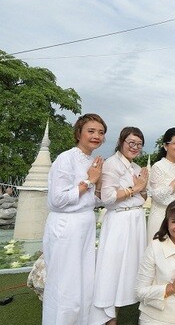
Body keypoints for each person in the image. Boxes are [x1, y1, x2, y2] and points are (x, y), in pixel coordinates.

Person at [42, 113, 106, 325]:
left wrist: (100, 187)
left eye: (101, 132)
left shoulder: (93, 161)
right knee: (65, 285)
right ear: (79, 133)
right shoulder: (66, 158)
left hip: (85, 225)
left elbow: (91, 200)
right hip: (66, 226)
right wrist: (89, 181)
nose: (96, 136)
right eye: (91, 131)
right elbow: (57, 199)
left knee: (84, 282)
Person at [91, 127, 149, 325]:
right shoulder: (112, 164)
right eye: (131, 142)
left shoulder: (135, 168)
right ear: (121, 141)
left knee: (132, 270)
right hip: (119, 223)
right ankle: (108, 318)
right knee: (112, 270)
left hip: (136, 222)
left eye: (139, 144)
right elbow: (107, 198)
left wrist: (142, 188)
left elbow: (143, 196)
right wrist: (136, 189)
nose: (134, 147)